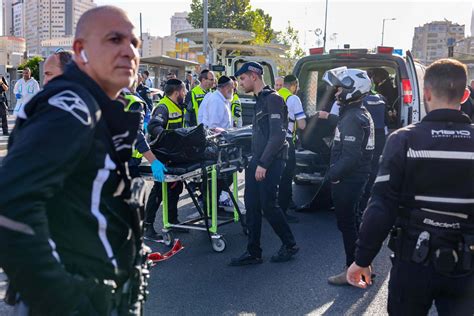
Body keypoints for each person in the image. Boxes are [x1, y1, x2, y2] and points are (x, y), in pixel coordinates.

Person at [0, 5, 150, 315]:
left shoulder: (97, 107)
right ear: (80, 50)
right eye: (114, 39)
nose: (128, 51)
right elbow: (10, 206)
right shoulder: (72, 106)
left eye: (134, 43)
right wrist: (66, 301)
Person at [347, 59, 474, 315]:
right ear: (465, 94)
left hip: (413, 265)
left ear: (426, 93)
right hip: (467, 270)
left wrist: (362, 259)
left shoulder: (404, 139)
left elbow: (381, 205)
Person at [230, 62, 298, 266]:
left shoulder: (273, 99)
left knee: (269, 205)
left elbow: (277, 136)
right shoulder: (260, 100)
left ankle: (290, 244)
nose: (240, 84)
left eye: (242, 79)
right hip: (258, 160)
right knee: (251, 205)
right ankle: (254, 252)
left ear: (253, 76)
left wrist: (263, 163)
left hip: (271, 161)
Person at [322, 67, 374, 285]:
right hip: (355, 178)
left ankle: (352, 272)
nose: (336, 93)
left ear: (354, 90)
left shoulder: (353, 116)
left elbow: (351, 157)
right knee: (353, 222)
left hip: (349, 180)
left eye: (341, 88)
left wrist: (332, 175)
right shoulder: (357, 112)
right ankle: (364, 268)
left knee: (348, 226)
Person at [145, 79, 188, 239]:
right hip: (162, 156)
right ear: (177, 92)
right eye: (183, 91)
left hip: (174, 156)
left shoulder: (177, 105)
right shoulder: (163, 107)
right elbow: (154, 127)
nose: (185, 94)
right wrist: (168, 138)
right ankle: (147, 227)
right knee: (159, 191)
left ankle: (172, 221)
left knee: (176, 188)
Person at [277, 74, 306, 223]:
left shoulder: (275, 94)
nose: (298, 89)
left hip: (273, 142)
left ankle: (286, 202)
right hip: (287, 141)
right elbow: (301, 125)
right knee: (287, 178)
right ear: (293, 85)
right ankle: (282, 212)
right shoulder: (293, 99)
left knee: (277, 176)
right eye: (298, 86)